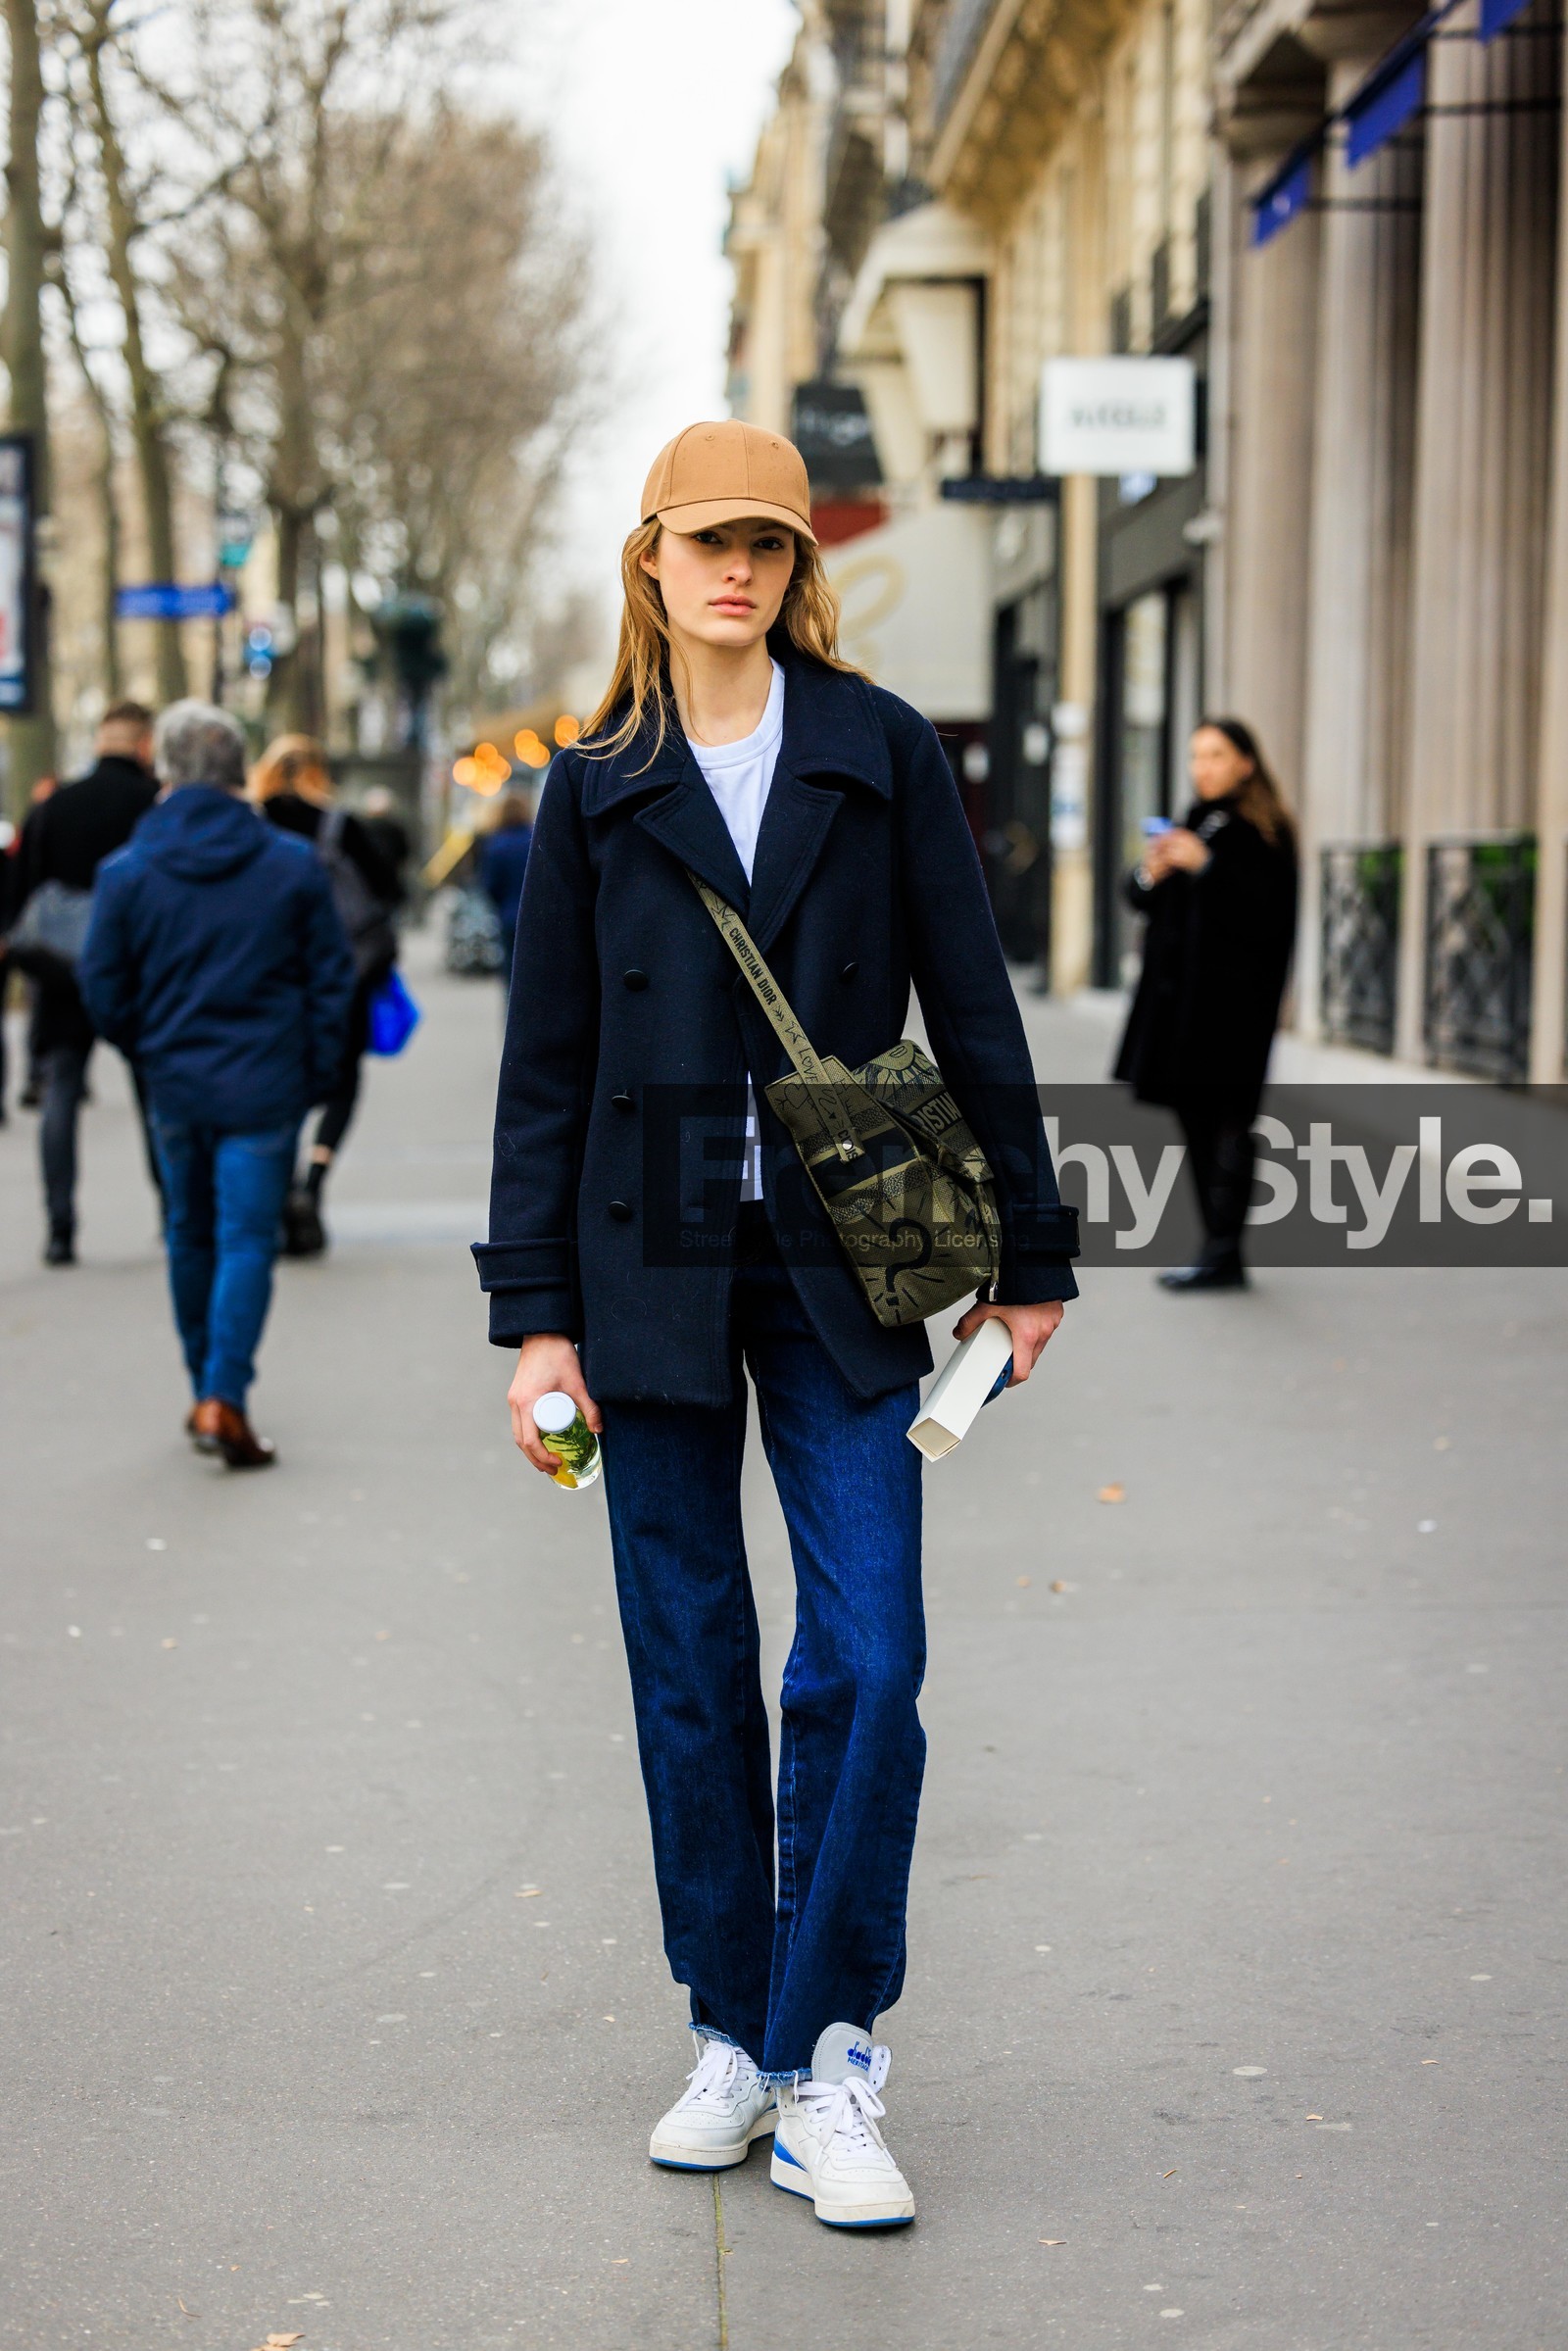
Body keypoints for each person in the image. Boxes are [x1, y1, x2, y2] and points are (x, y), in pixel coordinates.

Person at [473, 420, 1079, 2229]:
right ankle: (732, 2028)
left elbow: (974, 1003)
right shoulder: (593, 787)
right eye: (703, 538)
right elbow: (544, 1071)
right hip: (642, 1249)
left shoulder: (879, 753)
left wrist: (1031, 1251)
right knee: (687, 1659)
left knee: (869, 1654)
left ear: (795, 563)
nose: (734, 567)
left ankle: (832, 2050)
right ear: (650, 560)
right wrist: (536, 1323)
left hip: (844, 1251)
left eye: (764, 539)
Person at [80, 702, 355, 1467]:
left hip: (174, 1080)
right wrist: (316, 1072)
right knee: (244, 1238)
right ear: (238, 772)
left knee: (188, 1232)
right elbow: (330, 982)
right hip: (266, 1082)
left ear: (163, 769)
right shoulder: (290, 864)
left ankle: (206, 1382)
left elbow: (102, 985)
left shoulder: (127, 872)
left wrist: (146, 1046)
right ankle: (223, 1393)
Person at [1114, 716, 1298, 1290]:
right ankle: (1217, 1245)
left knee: (1228, 1124)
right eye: (1197, 756)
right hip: (1183, 1009)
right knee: (1194, 1118)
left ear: (1246, 762)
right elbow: (1141, 898)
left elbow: (1266, 917)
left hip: (1235, 1012)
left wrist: (1207, 868)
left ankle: (1224, 1250)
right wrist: (1152, 870)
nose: (1203, 767)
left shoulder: (1263, 832)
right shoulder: (1198, 821)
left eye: (1216, 755)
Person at [6, 706, 160, 1261]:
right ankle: (172, 1210)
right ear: (144, 744)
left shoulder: (55, 806)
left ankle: (60, 1226)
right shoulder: (152, 807)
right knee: (153, 1096)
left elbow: (22, 892)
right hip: (137, 973)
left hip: (63, 971)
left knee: (61, 1095)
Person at [250, 735, 398, 1255]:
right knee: (342, 1081)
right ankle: (314, 1179)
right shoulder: (341, 825)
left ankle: (285, 1187)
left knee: (280, 1083)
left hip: (272, 976)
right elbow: (387, 888)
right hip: (345, 975)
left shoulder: (253, 826)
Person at [477, 792, 533, 981]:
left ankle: (512, 1008)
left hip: (508, 913)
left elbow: (490, 884)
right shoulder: (535, 839)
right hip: (536, 914)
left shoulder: (496, 844)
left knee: (510, 969)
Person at [359, 783, 414, 908]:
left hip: (367, 887)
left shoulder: (361, 828)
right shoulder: (396, 829)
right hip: (390, 887)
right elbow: (404, 854)